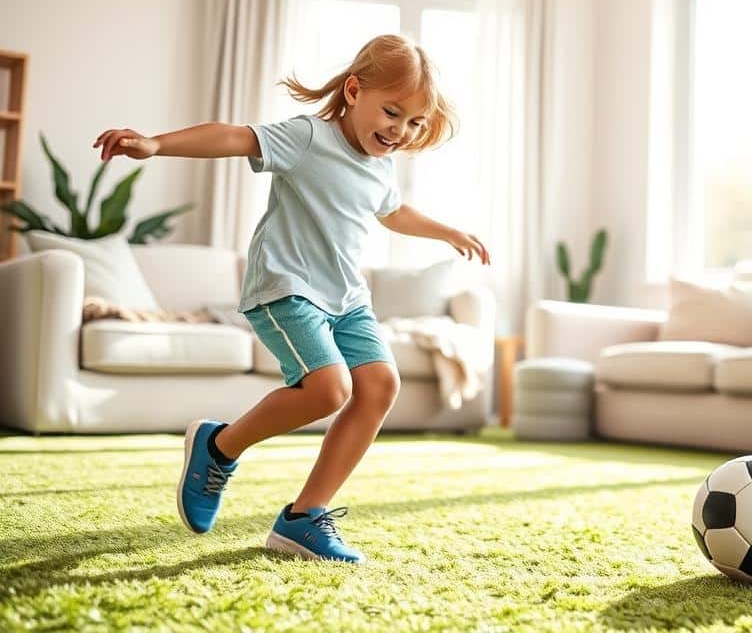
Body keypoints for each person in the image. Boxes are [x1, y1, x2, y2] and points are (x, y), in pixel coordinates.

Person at [93, 34, 490, 564]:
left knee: (379, 386)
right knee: (329, 390)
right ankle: (218, 447)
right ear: (354, 90)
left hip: (347, 296)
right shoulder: (309, 137)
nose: (400, 131)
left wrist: (448, 233)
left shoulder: (381, 162)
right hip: (287, 287)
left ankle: (304, 517)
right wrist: (156, 144)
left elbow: (393, 212)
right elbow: (235, 137)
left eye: (414, 123)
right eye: (392, 113)